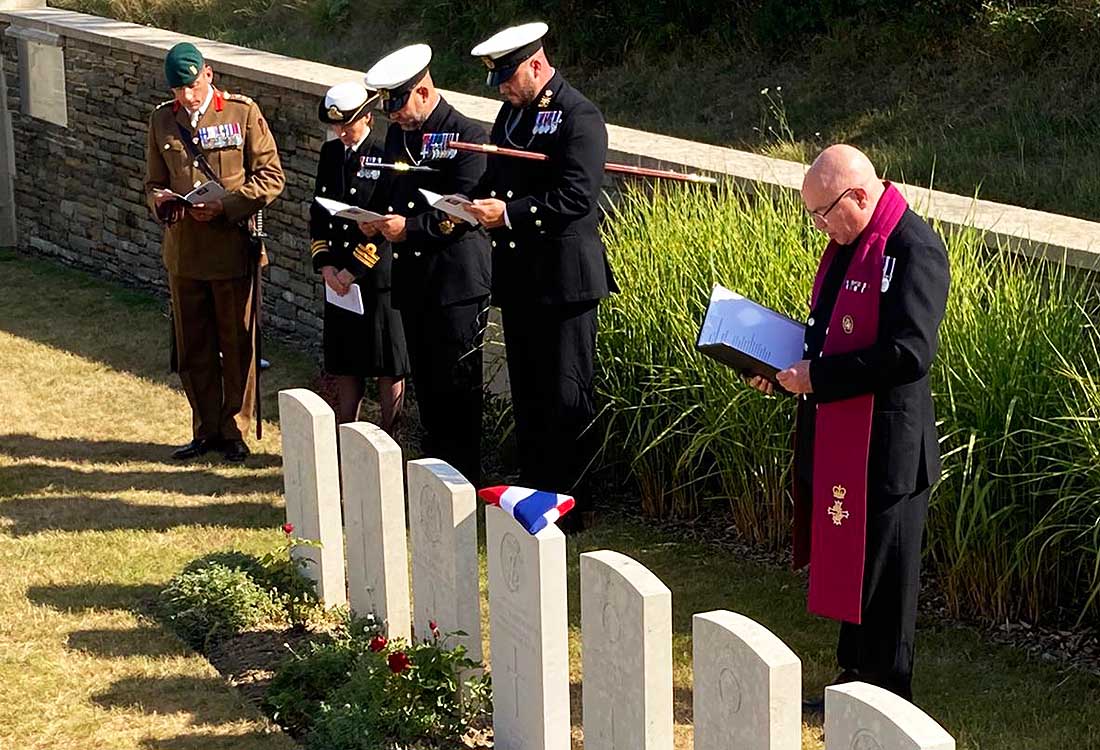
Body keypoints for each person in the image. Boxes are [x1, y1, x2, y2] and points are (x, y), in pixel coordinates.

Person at [749, 144, 950, 704]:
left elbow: (909, 353)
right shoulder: (848, 243)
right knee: (852, 564)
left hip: (889, 447)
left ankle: (887, 696)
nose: (818, 225)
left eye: (823, 212)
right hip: (842, 434)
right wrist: (780, 371)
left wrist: (818, 377)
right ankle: (853, 681)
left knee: (886, 578)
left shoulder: (914, 248)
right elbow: (826, 335)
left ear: (859, 196)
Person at [465, 22, 617, 528]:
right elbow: (498, 177)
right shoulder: (512, 114)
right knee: (529, 394)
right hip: (521, 278)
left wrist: (508, 215)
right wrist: (468, 203)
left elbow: (577, 196)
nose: (502, 90)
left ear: (535, 64)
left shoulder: (579, 115)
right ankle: (533, 492)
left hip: (564, 279)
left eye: (508, 78)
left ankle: (571, 505)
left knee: (566, 394)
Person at [145, 42, 285, 462]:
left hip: (231, 249)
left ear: (208, 74)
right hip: (185, 253)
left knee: (236, 344)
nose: (186, 96)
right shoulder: (161, 120)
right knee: (193, 346)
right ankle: (205, 429)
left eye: (192, 85)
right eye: (177, 89)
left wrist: (225, 205)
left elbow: (271, 177)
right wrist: (162, 201)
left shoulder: (241, 113)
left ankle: (234, 429)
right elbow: (152, 182)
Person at [360, 44, 491, 484]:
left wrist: (409, 229)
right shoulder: (400, 135)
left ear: (423, 91)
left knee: (458, 387)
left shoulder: (465, 135)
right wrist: (374, 219)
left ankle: (463, 478)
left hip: (456, 281)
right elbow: (392, 188)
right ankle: (434, 475)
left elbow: (462, 211)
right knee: (429, 385)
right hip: (415, 280)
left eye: (399, 106)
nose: (394, 117)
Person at [310, 82, 409, 431]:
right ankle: (346, 431)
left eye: (347, 125)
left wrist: (352, 270)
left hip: (375, 276)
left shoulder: (386, 157)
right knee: (345, 360)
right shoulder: (331, 153)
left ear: (367, 117)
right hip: (338, 276)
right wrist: (326, 265)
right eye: (336, 125)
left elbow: (386, 222)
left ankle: (389, 435)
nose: (341, 132)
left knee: (386, 363)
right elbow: (319, 212)